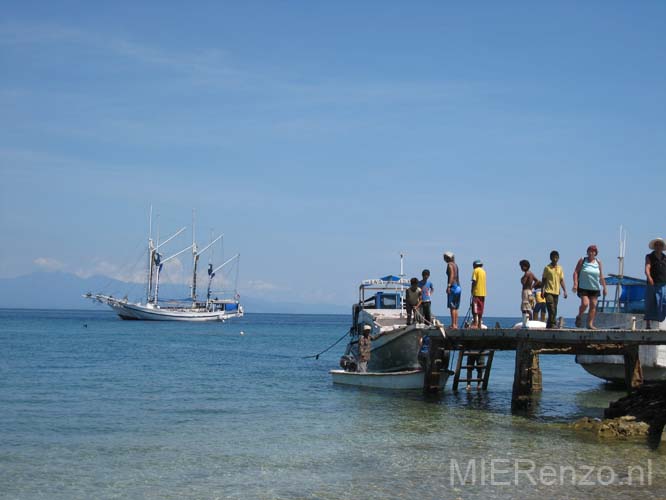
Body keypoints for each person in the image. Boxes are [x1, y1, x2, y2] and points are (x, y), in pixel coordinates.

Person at [572, 245, 608, 329]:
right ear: (587, 252)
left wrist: (605, 288)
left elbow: (601, 276)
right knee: (585, 303)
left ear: (596, 253)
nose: (591, 253)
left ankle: (590, 324)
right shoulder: (583, 260)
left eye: (593, 251)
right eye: (590, 251)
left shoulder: (598, 262)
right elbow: (576, 272)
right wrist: (575, 284)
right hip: (583, 286)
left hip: (595, 287)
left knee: (593, 305)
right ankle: (579, 316)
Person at [541, 250, 567, 329]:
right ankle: (553, 323)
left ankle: (549, 326)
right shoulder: (547, 268)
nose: (555, 259)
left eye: (556, 257)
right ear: (550, 258)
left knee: (554, 310)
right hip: (548, 291)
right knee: (551, 308)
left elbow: (561, 280)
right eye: (553, 257)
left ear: (558, 258)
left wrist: (565, 290)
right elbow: (544, 280)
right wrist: (542, 290)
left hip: (556, 292)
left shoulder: (560, 268)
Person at [645, 237, 666, 329]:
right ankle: (648, 324)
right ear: (654, 247)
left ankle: (662, 322)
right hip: (652, 283)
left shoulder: (665, 257)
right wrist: (649, 277)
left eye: (660, 245)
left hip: (663, 283)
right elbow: (647, 267)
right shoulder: (649, 256)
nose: (658, 246)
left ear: (662, 247)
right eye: (656, 245)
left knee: (663, 302)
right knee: (650, 302)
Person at [443, 251, 461, 329]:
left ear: (447, 258)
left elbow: (452, 275)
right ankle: (455, 324)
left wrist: (449, 286)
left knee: (452, 307)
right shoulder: (456, 265)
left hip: (453, 286)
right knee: (456, 307)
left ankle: (453, 325)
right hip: (458, 287)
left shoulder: (449, 265)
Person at [471, 260, 486, 329]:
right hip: (483, 293)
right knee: (481, 309)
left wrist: (472, 290)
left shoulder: (475, 271)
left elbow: (474, 281)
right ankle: (479, 323)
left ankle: (475, 324)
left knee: (475, 309)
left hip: (476, 292)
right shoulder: (483, 271)